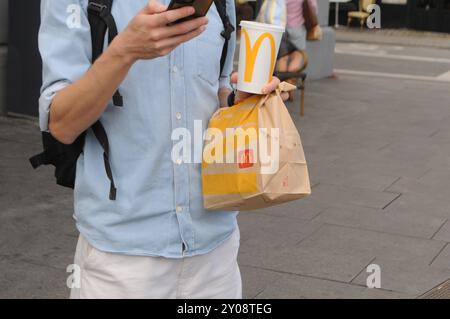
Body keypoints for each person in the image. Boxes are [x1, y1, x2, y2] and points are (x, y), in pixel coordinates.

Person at [39, 0, 287, 299]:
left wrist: (241, 102)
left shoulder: (220, 4)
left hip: (215, 252)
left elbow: (216, 93)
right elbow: (62, 125)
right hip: (122, 261)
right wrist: (124, 51)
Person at [276, 0, 318, 81]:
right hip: (298, 28)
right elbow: (313, 7)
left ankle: (281, 87)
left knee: (283, 58)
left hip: (281, 26)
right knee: (297, 57)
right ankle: (290, 87)